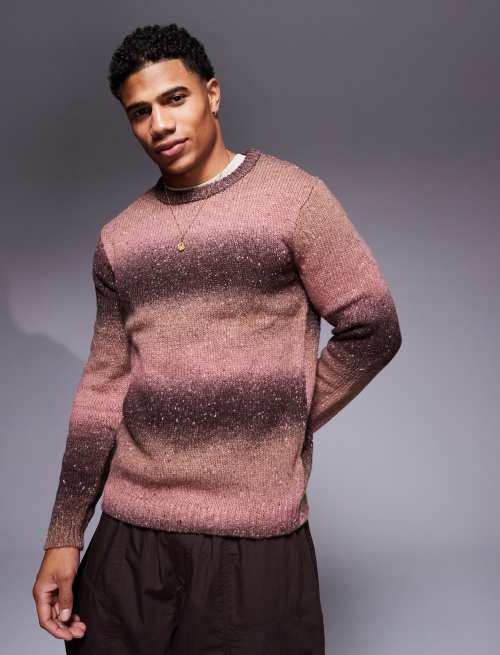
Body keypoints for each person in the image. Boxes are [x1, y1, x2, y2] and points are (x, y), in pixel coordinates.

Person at [32, 22, 402, 654]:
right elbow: (101, 391)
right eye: (140, 112)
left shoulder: (293, 200)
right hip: (130, 535)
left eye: (174, 98)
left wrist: (284, 413)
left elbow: (374, 324)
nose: (160, 124)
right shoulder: (119, 238)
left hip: (254, 540)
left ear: (212, 94)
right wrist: (64, 534)